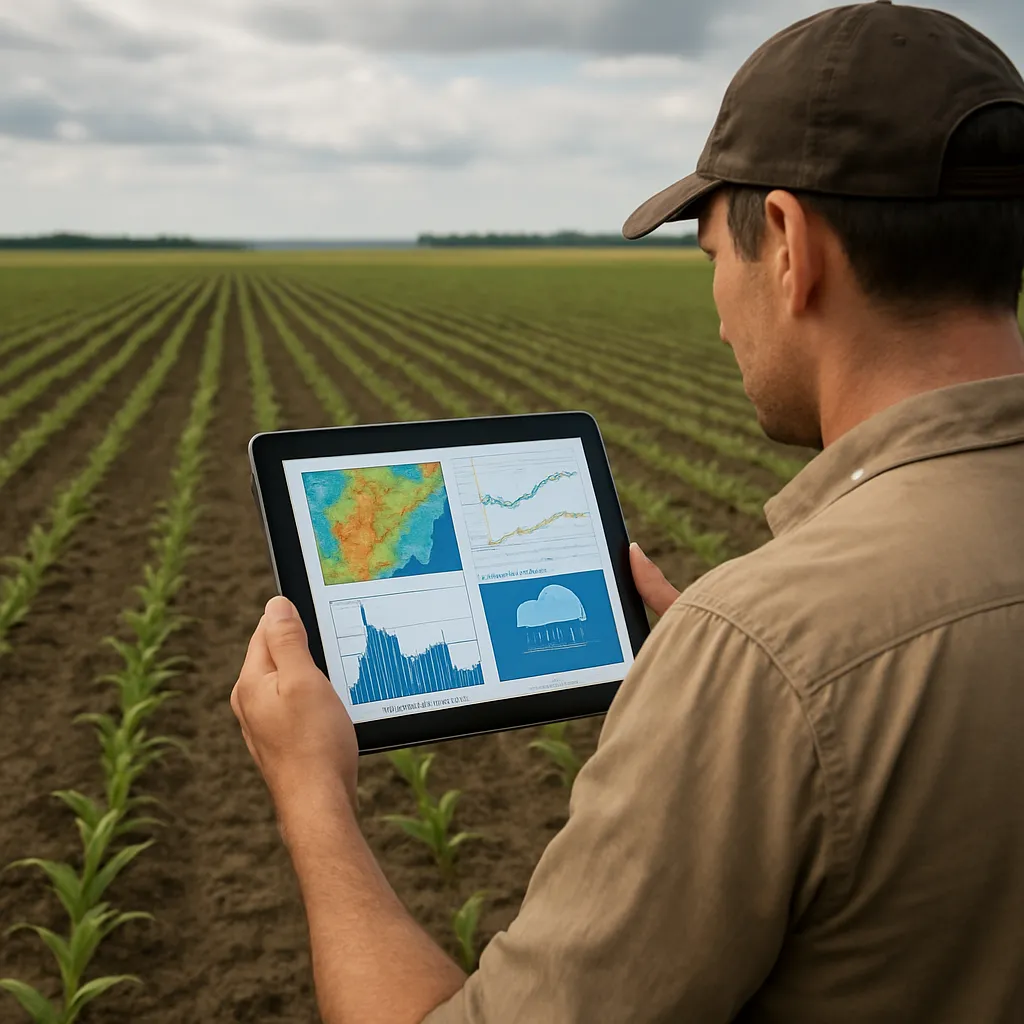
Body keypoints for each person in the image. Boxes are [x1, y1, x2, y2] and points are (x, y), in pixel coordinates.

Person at [230, 2, 1024, 1021]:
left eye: (709, 259)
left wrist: (312, 798)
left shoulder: (767, 655)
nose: (718, 306)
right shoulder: (769, 661)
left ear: (787, 243)